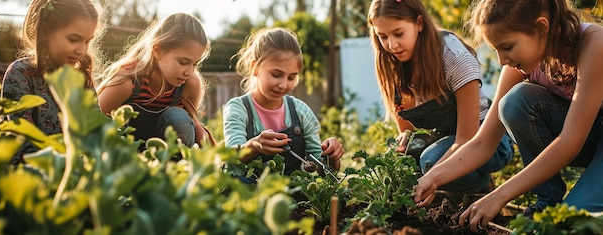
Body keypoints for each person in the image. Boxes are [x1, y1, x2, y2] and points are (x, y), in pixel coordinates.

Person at [412, 0, 603, 232]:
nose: (502, 60)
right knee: (514, 101)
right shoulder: (521, 62)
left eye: (507, 47)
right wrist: (432, 178)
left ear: (542, 27)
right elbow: (483, 142)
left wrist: (500, 195)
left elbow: (570, 142)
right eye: (496, 50)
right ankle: (546, 203)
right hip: (590, 136)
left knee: (572, 224)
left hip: (580, 138)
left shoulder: (594, 44)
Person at [366, 0, 514, 201]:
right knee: (403, 161)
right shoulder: (392, 64)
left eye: (398, 33)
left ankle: (479, 187)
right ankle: (450, 194)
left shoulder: (454, 58)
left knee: (430, 161)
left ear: (419, 24)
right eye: (382, 36)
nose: (392, 45)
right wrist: (405, 142)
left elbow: (466, 139)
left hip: (488, 142)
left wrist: (431, 177)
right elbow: (408, 131)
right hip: (444, 139)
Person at [222, 27, 343, 179]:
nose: (283, 85)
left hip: (294, 196)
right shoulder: (239, 109)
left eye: (291, 77)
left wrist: (331, 156)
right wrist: (254, 146)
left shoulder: (301, 111)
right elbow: (231, 158)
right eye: (276, 75)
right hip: (250, 196)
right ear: (255, 68)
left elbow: (324, 171)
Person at [1, 0, 102, 164]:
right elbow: (24, 144)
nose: (82, 50)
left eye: (87, 41)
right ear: (46, 31)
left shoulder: (81, 80)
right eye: (74, 39)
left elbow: (96, 133)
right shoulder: (21, 75)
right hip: (31, 178)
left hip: (75, 176)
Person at [96, 13, 216, 149]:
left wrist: (215, 155)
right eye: (183, 62)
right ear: (157, 51)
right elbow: (92, 121)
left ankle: (175, 166)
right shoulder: (128, 82)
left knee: (178, 118)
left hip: (167, 156)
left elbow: (191, 122)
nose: (189, 72)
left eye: (195, 64)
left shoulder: (189, 85)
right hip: (126, 155)